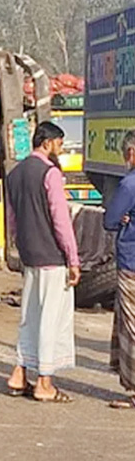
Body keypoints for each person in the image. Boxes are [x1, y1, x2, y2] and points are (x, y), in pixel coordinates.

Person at [5, 121, 80, 403]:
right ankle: (44, 382)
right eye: (59, 143)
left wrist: (21, 246)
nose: (60, 149)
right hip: (52, 256)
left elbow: (12, 221)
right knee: (51, 318)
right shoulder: (50, 174)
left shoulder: (14, 174)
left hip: (30, 256)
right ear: (47, 143)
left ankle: (19, 373)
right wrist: (73, 258)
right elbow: (61, 221)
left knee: (30, 316)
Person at [103, 129, 135, 409]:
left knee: (131, 326)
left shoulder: (129, 184)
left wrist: (123, 218)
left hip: (131, 262)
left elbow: (110, 220)